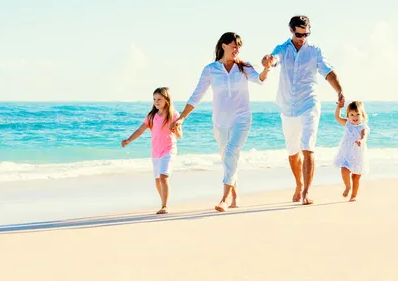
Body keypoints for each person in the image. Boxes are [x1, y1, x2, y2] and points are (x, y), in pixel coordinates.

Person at [170, 32, 270, 212]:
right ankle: (235, 195)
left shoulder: (243, 67)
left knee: (232, 152)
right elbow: (197, 95)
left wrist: (267, 68)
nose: (237, 50)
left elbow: (260, 79)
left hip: (242, 118)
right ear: (223, 46)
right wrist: (182, 117)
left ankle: (224, 198)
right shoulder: (211, 69)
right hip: (220, 122)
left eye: (239, 47)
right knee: (227, 158)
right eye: (234, 46)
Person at [262, 15, 345, 205]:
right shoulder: (283, 48)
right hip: (287, 106)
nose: (302, 38)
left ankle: (307, 191)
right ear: (291, 31)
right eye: (299, 34)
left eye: (306, 34)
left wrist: (339, 91)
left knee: (308, 146)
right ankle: (298, 184)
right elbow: (274, 59)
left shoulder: (315, 51)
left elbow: (328, 72)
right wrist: (268, 61)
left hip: (309, 102)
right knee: (293, 151)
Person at [121, 87, 182, 215]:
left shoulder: (173, 114)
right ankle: (164, 202)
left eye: (159, 99)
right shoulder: (151, 116)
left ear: (167, 100)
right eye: (154, 99)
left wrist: (175, 129)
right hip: (155, 152)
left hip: (169, 150)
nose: (156, 102)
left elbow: (179, 135)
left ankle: (165, 206)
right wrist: (128, 140)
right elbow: (140, 130)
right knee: (157, 181)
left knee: (164, 176)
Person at [333, 100, 369, 202]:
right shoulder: (348, 124)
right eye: (352, 114)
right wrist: (338, 108)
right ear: (348, 116)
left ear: (363, 115)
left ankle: (353, 195)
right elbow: (337, 118)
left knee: (356, 177)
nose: (355, 117)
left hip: (358, 154)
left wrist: (361, 141)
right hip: (347, 153)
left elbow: (364, 136)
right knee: (344, 169)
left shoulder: (363, 127)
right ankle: (348, 186)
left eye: (358, 114)